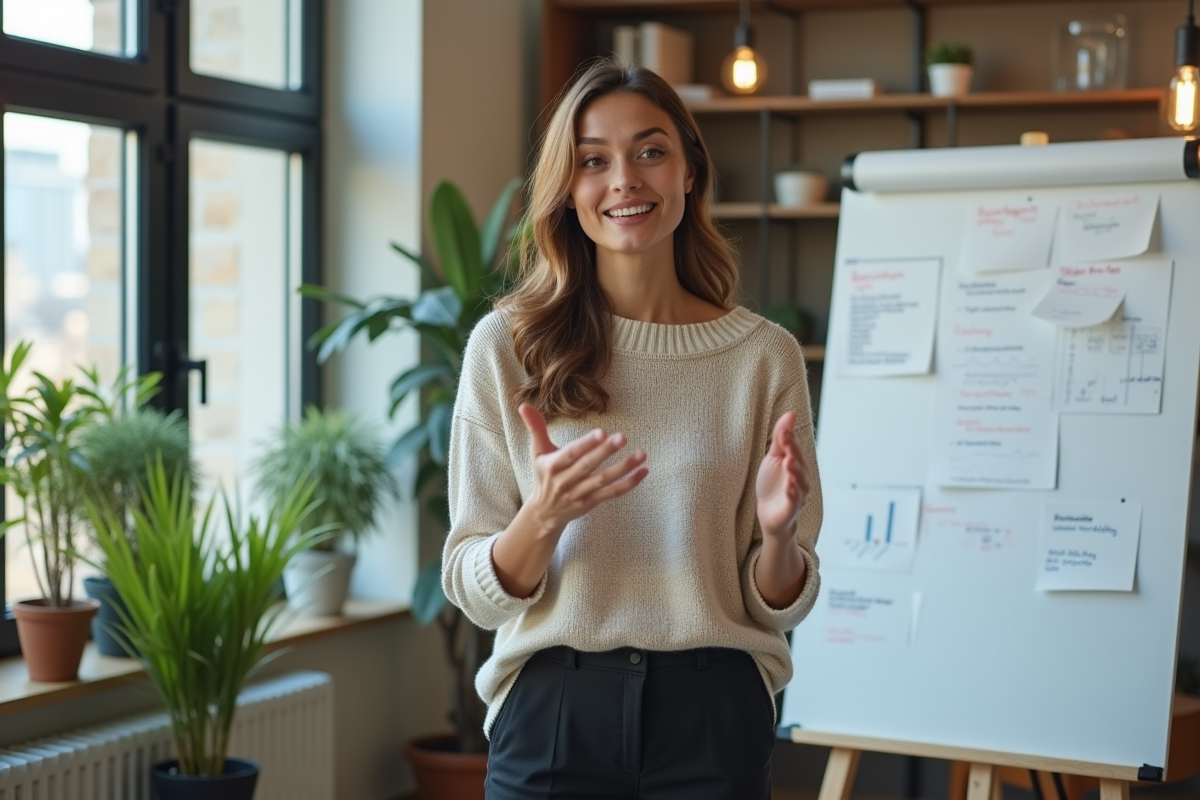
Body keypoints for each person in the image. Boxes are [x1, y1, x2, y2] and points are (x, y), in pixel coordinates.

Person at [442, 58, 823, 800]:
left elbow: (780, 597)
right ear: (568, 189)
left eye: (651, 151)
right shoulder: (505, 346)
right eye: (594, 160)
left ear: (688, 173)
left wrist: (778, 540)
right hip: (554, 707)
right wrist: (543, 517)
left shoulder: (763, 357)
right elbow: (474, 589)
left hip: (713, 713)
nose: (625, 179)